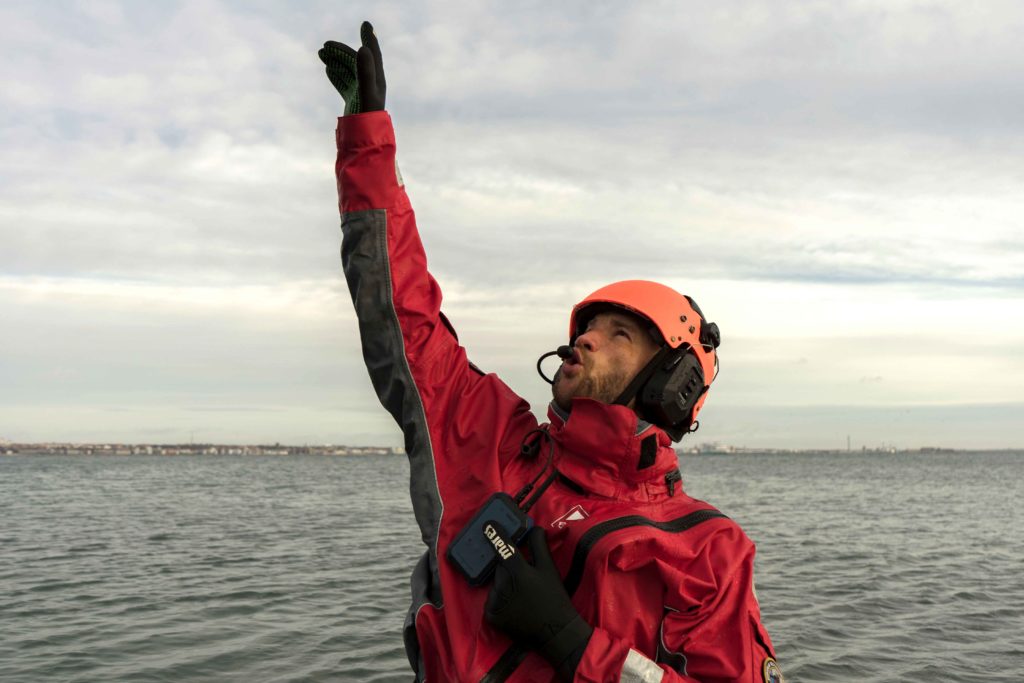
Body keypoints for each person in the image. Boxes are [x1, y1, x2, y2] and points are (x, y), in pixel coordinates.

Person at [320, 22, 783, 683]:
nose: (586, 337)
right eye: (588, 326)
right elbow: (406, 318)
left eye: (620, 334)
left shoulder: (707, 547)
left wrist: (572, 643)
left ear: (671, 381)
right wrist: (368, 141)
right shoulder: (494, 443)